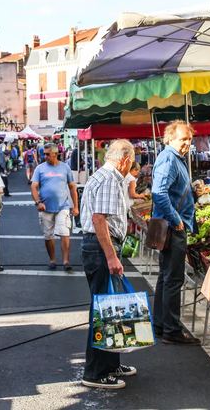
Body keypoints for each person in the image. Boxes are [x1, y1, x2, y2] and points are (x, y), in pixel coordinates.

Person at [79, 139, 137, 390]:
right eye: (132, 161)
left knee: (111, 308)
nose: (131, 166)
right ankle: (96, 372)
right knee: (103, 310)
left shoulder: (105, 177)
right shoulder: (109, 179)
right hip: (100, 247)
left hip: (101, 246)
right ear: (124, 159)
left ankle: (111, 364)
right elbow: (99, 219)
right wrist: (112, 256)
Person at [151, 120, 200, 345]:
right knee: (173, 279)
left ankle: (161, 325)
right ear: (170, 138)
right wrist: (176, 219)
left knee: (166, 277)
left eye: (189, 139)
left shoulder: (176, 158)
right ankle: (171, 330)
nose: (187, 143)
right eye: (183, 139)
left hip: (173, 226)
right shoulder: (170, 158)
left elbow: (170, 191)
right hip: (172, 228)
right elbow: (159, 193)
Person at [31, 143, 79, 271]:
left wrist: (75, 207)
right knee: (48, 236)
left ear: (55, 154)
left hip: (63, 206)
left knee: (64, 233)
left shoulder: (65, 168)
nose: (45, 156)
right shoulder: (40, 168)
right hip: (45, 207)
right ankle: (52, 259)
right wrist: (37, 202)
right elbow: (34, 186)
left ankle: (66, 261)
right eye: (44, 154)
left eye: (47, 154)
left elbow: (72, 188)